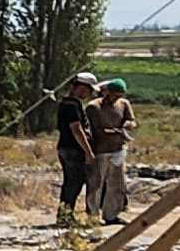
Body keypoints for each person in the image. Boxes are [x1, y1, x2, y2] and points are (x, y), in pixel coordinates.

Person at [52, 72, 100, 227]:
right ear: (82, 87)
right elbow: (76, 129)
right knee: (74, 183)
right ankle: (65, 217)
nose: (89, 94)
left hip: (65, 147)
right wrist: (88, 151)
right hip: (73, 149)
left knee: (71, 182)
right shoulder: (73, 105)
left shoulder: (65, 103)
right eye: (89, 90)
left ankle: (65, 214)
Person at [86, 76, 136, 224]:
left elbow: (132, 120)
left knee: (117, 184)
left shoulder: (124, 104)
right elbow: (96, 130)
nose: (115, 99)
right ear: (106, 92)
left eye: (119, 96)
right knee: (96, 184)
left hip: (118, 150)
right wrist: (115, 132)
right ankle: (92, 216)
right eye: (113, 95)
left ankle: (111, 215)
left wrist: (128, 125)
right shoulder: (94, 107)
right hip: (100, 150)